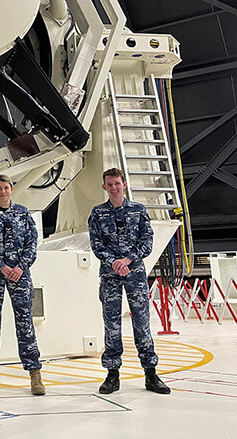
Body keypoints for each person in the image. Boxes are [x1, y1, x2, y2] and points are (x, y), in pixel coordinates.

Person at [88, 167, 170, 395]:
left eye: (117, 183)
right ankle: (112, 375)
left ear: (124, 184)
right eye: (109, 184)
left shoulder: (138, 210)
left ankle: (151, 374)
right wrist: (114, 262)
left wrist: (127, 260)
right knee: (111, 325)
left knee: (142, 324)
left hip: (135, 274)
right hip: (109, 276)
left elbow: (147, 241)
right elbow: (96, 244)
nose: (113, 188)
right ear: (104, 187)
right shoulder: (97, 213)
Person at [0, 174, 45, 397]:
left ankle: (35, 374)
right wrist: (2, 267)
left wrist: (20, 267)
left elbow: (32, 242)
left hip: (20, 275)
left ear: (12, 189)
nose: (3, 191)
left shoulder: (23, 213)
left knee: (25, 323)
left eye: (6, 187)